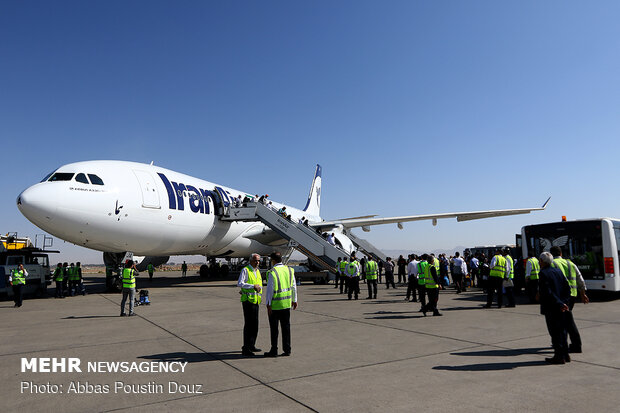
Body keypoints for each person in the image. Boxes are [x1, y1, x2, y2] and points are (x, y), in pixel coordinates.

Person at [550, 246, 589, 353]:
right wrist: (583, 294)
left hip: (560, 297)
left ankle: (571, 345)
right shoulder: (570, 264)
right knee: (567, 319)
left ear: (551, 254)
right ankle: (570, 344)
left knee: (564, 321)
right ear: (561, 253)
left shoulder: (552, 264)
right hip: (572, 296)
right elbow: (580, 280)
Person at [538, 252, 571, 364]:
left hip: (552, 307)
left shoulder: (543, 273)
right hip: (562, 306)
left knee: (555, 332)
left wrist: (559, 303)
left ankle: (559, 356)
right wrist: (565, 302)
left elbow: (548, 292)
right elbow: (567, 288)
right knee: (563, 331)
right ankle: (565, 354)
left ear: (542, 261)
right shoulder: (558, 271)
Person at [264, 252, 297, 357]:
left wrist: (268, 304)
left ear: (273, 260)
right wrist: (294, 300)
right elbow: (293, 286)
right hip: (286, 304)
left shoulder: (272, 272)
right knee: (286, 328)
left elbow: (270, 290)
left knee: (274, 329)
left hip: (275, 305)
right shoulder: (289, 270)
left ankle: (274, 350)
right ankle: (287, 349)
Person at [237, 253, 263, 357]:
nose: (257, 262)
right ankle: (245, 348)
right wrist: (252, 286)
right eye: (256, 260)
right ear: (251, 260)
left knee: (255, 325)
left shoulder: (257, 271)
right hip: (248, 301)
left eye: (258, 261)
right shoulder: (246, 270)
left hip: (256, 300)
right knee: (248, 325)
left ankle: (252, 345)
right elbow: (240, 283)